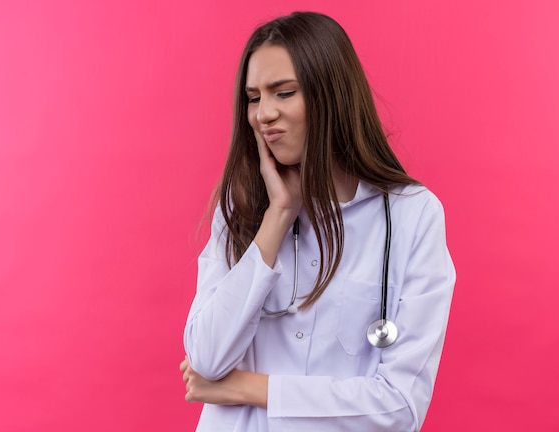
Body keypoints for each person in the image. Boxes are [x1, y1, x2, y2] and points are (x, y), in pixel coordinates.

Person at [180, 11, 455, 432]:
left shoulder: (413, 216)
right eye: (254, 97)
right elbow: (206, 358)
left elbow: (399, 408)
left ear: (331, 96)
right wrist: (277, 217)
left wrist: (249, 388)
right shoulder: (240, 209)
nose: (263, 114)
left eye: (283, 92)